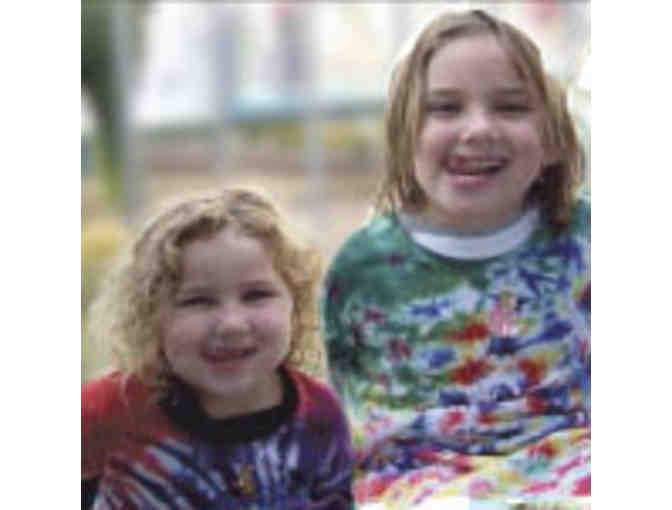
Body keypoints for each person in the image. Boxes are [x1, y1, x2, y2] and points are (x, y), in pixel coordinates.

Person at [321, 9, 589, 508]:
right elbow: (351, 421)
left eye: (510, 107)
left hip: (579, 463)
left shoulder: (587, 238)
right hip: (423, 479)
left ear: (552, 138)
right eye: (445, 108)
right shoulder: (365, 269)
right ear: (405, 136)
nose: (478, 128)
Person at [83, 188, 354, 509]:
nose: (231, 324)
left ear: (296, 307)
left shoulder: (320, 418)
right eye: (198, 301)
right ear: (151, 317)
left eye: (256, 295)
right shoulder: (111, 410)